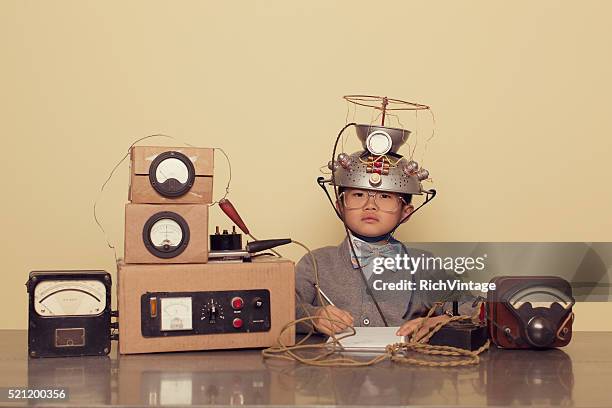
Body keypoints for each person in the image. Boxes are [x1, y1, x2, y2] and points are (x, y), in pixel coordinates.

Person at [295, 124, 474, 339]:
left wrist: (440, 320)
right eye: (359, 195)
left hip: (405, 369)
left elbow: (476, 307)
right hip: (332, 369)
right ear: (339, 206)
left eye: (385, 197)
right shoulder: (314, 263)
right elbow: (281, 310)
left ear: (406, 213)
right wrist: (314, 316)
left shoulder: (425, 266)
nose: (370, 205)